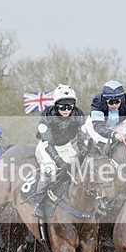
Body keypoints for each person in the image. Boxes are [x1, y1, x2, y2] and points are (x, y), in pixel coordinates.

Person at [34, 84, 87, 218]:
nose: (66, 110)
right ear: (56, 105)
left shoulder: (79, 115)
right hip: (46, 147)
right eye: (62, 107)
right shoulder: (47, 116)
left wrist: (83, 153)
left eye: (69, 107)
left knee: (81, 169)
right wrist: (59, 161)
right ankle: (38, 203)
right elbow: (48, 144)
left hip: (66, 146)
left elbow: (82, 140)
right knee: (50, 169)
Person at [88, 79, 126, 145]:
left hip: (117, 124)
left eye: (117, 102)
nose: (114, 105)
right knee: (101, 143)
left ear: (121, 100)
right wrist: (114, 134)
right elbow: (98, 126)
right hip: (96, 125)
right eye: (111, 102)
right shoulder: (98, 102)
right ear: (105, 100)